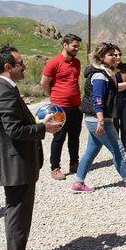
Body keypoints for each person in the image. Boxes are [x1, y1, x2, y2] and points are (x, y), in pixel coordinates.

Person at [0, 46, 62, 250]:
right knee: (17, 218)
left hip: (15, 164)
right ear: (8, 67)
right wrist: (42, 128)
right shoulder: (4, 92)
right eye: (20, 63)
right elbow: (14, 130)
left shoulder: (0, 88)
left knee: (18, 216)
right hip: (16, 165)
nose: (25, 67)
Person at [72, 42, 126, 194]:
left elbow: (111, 90)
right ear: (101, 57)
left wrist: (124, 84)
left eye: (115, 54)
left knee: (91, 151)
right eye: (110, 55)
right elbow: (97, 98)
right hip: (99, 119)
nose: (114, 57)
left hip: (94, 119)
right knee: (118, 150)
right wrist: (101, 120)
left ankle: (78, 183)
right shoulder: (100, 75)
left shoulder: (106, 73)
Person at [40, 33, 83, 181]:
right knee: (59, 138)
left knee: (74, 137)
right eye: (74, 46)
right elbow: (44, 83)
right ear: (65, 45)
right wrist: (53, 98)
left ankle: (74, 163)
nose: (77, 48)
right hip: (59, 108)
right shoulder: (54, 62)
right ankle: (55, 168)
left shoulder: (77, 62)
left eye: (78, 46)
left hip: (76, 106)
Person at [113, 45, 126, 161]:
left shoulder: (125, 67)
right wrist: (124, 85)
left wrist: (118, 86)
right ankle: (117, 152)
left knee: (125, 128)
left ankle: (125, 151)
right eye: (115, 55)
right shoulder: (109, 69)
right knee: (115, 128)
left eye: (120, 54)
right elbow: (111, 87)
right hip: (114, 102)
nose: (118, 57)